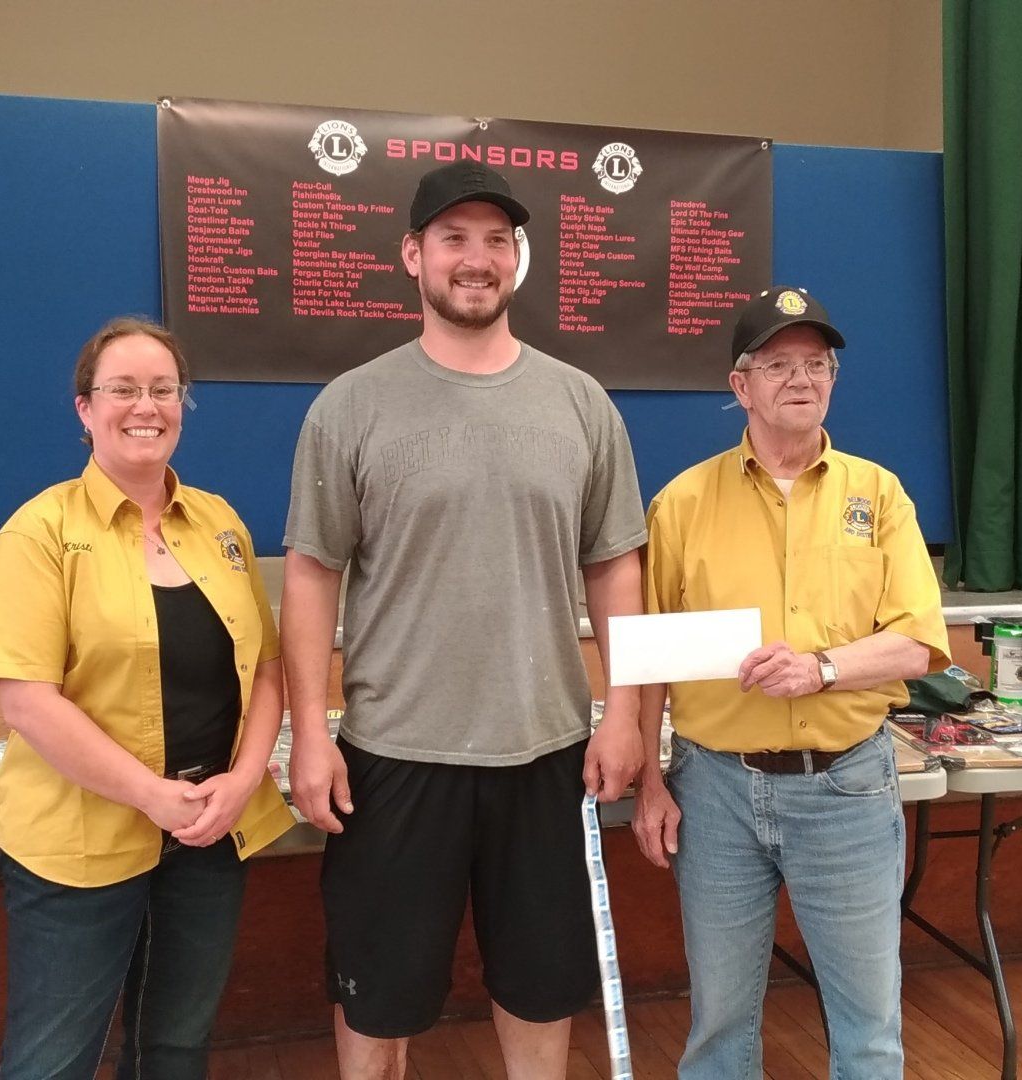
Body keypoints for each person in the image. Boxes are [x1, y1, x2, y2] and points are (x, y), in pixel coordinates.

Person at [281, 161, 648, 1080]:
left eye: (496, 239)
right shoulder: (350, 406)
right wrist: (311, 734)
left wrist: (624, 713)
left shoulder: (581, 403)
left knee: (541, 987)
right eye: (454, 238)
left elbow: (614, 566)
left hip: (547, 754)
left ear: (516, 258)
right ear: (413, 254)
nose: (476, 258)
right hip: (394, 756)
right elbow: (312, 576)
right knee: (380, 995)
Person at [631, 287, 950, 1079]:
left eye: (817, 364)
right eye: (778, 365)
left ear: (834, 380)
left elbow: (918, 643)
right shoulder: (681, 503)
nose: (802, 379)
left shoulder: (878, 496)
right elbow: (647, 660)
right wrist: (649, 782)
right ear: (741, 386)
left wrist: (821, 669)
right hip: (714, 791)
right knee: (719, 1022)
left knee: (868, 1023)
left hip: (847, 789)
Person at [0, 317, 294, 1079]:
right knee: (53, 1060)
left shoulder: (220, 522)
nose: (145, 406)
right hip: (81, 842)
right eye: (122, 389)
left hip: (210, 831)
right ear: (84, 409)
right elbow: (27, 701)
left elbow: (267, 669)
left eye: (163, 389)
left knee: (175, 1048)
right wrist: (153, 797)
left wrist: (243, 780)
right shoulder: (37, 534)